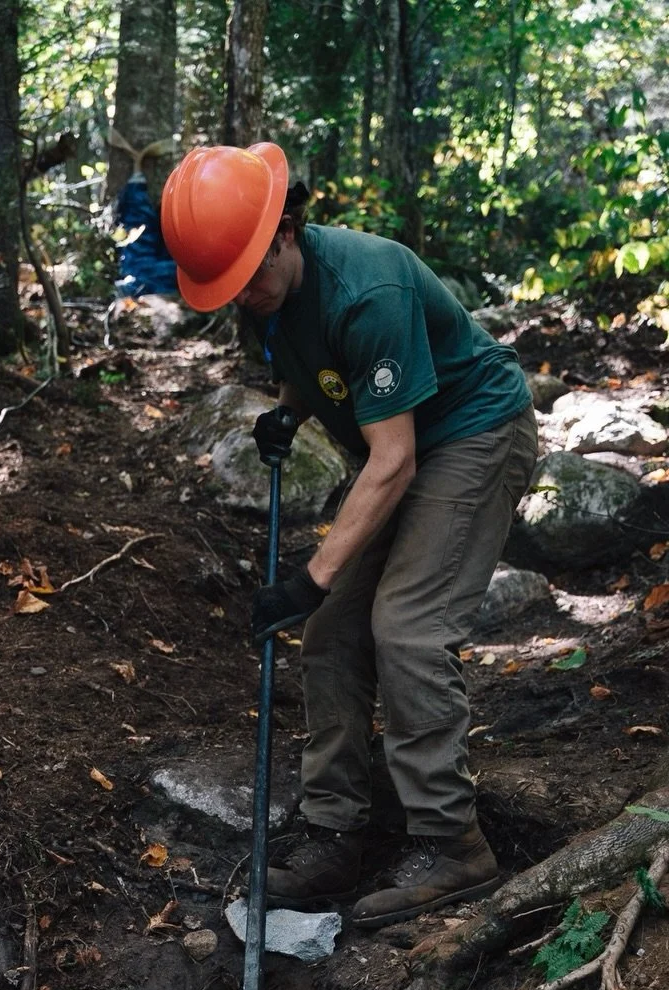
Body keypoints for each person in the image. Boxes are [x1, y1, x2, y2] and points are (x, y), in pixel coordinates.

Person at [160, 141, 539, 926]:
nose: (246, 297)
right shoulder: (270, 293)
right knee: (331, 631)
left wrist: (308, 576)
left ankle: (454, 844)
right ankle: (337, 830)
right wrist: (290, 411)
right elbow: (313, 354)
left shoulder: (368, 287)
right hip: (401, 444)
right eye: (228, 288)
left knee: (406, 628)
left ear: (288, 231)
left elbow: (393, 461)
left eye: (251, 277)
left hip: (470, 435)